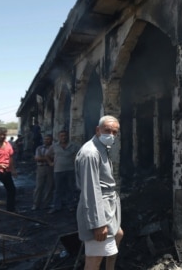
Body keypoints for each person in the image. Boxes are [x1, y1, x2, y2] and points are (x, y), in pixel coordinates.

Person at [75, 115, 123, 270]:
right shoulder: (90, 153)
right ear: (98, 130)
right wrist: (98, 223)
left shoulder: (102, 149)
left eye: (114, 132)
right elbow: (91, 190)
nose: (111, 135)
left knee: (118, 234)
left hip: (108, 205)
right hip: (99, 208)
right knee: (95, 258)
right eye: (107, 130)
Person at [49, 129, 80, 214]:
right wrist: (51, 163)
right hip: (58, 170)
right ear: (59, 137)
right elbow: (47, 155)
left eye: (65, 136)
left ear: (68, 136)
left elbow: (80, 154)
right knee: (58, 189)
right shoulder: (54, 146)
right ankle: (56, 206)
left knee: (70, 188)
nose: (63, 137)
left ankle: (70, 205)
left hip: (70, 170)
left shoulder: (73, 145)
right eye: (61, 136)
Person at [32, 134, 54, 210]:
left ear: (51, 140)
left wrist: (44, 158)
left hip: (51, 168)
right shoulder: (39, 148)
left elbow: (56, 158)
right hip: (41, 168)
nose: (46, 140)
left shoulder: (54, 148)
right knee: (39, 186)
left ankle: (46, 204)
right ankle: (36, 204)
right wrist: (48, 158)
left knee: (49, 186)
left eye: (48, 139)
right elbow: (37, 158)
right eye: (45, 139)